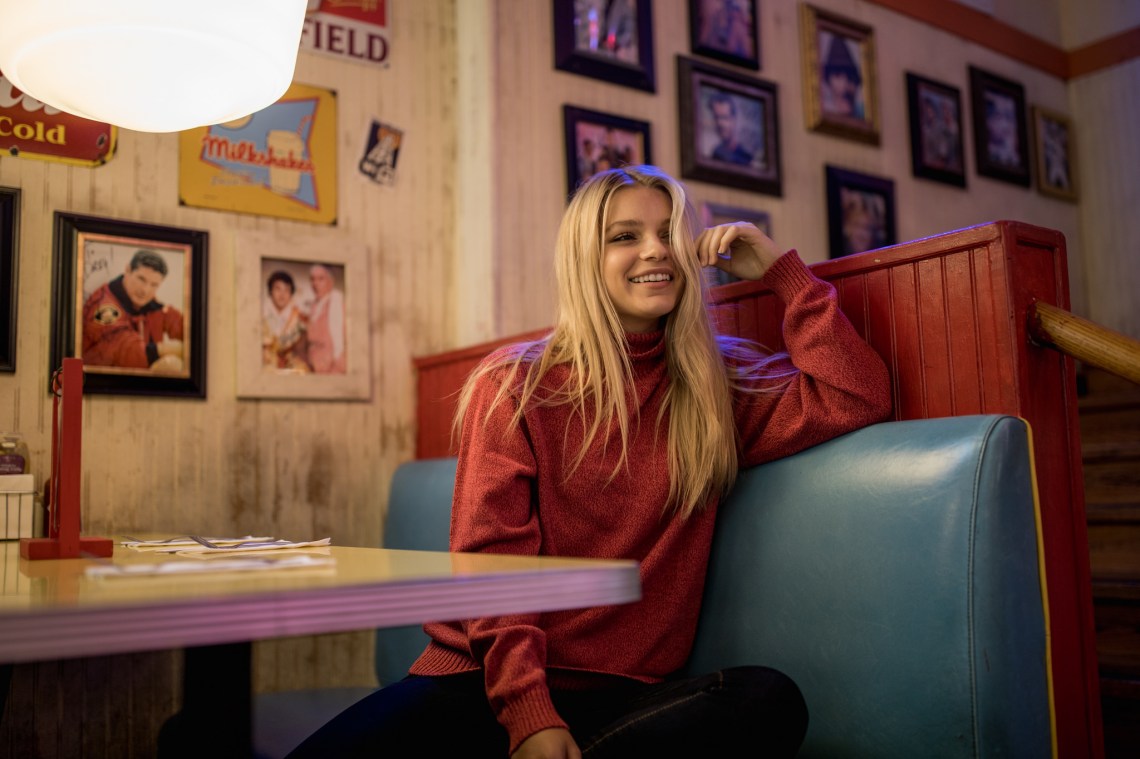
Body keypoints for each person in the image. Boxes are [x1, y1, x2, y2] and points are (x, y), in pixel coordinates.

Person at [288, 165, 891, 758]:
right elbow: (492, 562)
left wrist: (783, 276)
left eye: (669, 233)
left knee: (768, 699)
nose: (655, 251)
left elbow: (855, 394)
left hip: (624, 701)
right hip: (480, 684)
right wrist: (528, 715)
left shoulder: (716, 389)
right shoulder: (516, 384)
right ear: (584, 259)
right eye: (624, 236)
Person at [82, 248, 184, 371]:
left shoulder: (149, 304)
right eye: (141, 279)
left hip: (138, 383)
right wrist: (170, 350)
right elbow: (125, 349)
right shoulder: (102, 304)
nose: (145, 290)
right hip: (97, 384)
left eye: (154, 285)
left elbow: (178, 323)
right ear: (128, 270)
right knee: (172, 365)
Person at [262, 270, 311, 372]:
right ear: (270, 291)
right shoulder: (261, 317)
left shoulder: (300, 318)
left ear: (291, 293)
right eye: (278, 289)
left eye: (286, 290)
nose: (282, 294)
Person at [305, 263, 346, 374]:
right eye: (312, 279)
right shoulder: (315, 305)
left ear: (330, 281)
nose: (315, 284)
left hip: (331, 368)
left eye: (321, 279)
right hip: (315, 366)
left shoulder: (335, 301)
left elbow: (339, 344)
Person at [819, 34, 864, 119]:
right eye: (837, 75)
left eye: (850, 77)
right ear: (829, 81)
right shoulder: (824, 115)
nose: (844, 85)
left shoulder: (863, 114)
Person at [707, 91, 754, 166]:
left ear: (734, 119)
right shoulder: (715, 153)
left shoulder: (746, 158)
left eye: (724, 117)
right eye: (716, 117)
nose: (720, 123)